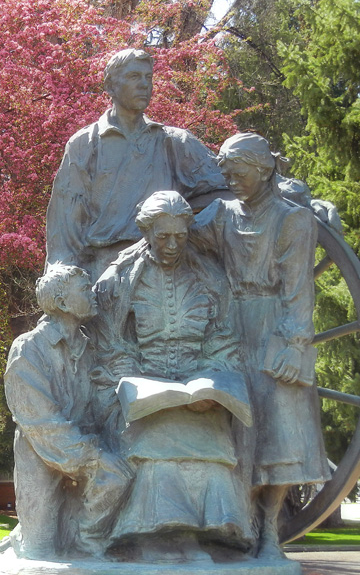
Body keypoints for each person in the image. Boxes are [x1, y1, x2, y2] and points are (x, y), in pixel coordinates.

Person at [94, 191, 253, 563]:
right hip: (138, 393)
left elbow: (224, 340)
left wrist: (211, 385)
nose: (171, 245)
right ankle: (158, 536)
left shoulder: (210, 279)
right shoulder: (118, 281)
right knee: (156, 438)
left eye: (179, 237)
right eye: (163, 236)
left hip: (200, 390)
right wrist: (139, 383)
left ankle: (213, 534)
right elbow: (112, 346)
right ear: (146, 232)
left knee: (210, 438)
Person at [192, 133, 331, 558]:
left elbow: (297, 289)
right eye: (227, 172)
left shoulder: (292, 220)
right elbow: (178, 238)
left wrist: (294, 342)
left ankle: (269, 529)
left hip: (276, 326)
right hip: (230, 329)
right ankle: (235, 525)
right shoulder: (220, 214)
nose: (231, 179)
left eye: (240, 171)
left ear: (265, 169)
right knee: (238, 428)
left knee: (282, 432)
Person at [45, 48, 226, 280]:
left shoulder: (174, 142)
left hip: (166, 263)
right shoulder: (85, 144)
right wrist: (64, 274)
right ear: (110, 86)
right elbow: (66, 220)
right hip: (105, 266)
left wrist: (270, 173)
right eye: (134, 77)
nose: (144, 85)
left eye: (148, 77)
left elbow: (232, 180)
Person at [3, 263, 132, 559]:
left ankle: (87, 542)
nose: (93, 293)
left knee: (117, 477)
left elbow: (95, 408)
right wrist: (93, 456)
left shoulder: (89, 349)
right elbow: (40, 423)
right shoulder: (28, 349)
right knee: (40, 549)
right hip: (41, 451)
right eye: (85, 289)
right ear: (62, 303)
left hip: (83, 447)